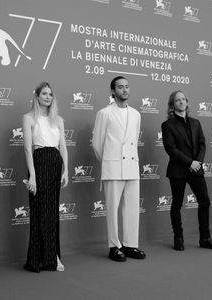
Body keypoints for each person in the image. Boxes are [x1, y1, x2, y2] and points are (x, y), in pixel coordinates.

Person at [92, 76, 146, 262]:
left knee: (132, 208)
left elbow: (135, 140)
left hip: (132, 165)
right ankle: (114, 246)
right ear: (113, 91)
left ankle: (131, 244)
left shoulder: (136, 114)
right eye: (120, 87)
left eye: (127, 87)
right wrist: (109, 160)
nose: (125, 90)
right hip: (113, 166)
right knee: (113, 208)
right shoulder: (104, 113)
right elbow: (97, 144)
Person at [161, 90, 212, 251]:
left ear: (187, 102)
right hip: (178, 169)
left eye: (183, 99)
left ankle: (205, 238)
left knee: (205, 201)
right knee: (177, 204)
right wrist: (190, 162)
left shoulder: (196, 123)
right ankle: (178, 238)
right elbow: (171, 149)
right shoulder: (167, 125)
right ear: (172, 105)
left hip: (196, 168)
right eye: (177, 100)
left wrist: (198, 163)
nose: (181, 102)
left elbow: (202, 144)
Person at [22, 82, 68, 272]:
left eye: (50, 94)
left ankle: (53, 257)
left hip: (55, 162)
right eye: (44, 93)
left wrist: (66, 170)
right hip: (39, 162)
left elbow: (63, 146)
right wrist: (32, 176)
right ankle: (36, 259)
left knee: (52, 213)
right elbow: (27, 148)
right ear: (37, 96)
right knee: (39, 212)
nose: (48, 97)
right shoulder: (28, 118)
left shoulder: (58, 119)